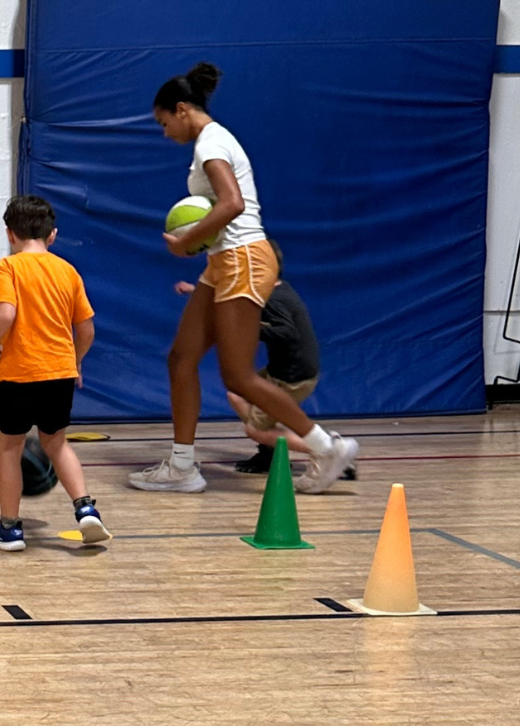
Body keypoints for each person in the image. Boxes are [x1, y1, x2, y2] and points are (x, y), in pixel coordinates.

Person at [129, 62, 357, 494]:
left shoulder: (210, 144)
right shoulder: (213, 141)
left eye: (163, 123)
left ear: (181, 110)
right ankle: (182, 467)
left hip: (243, 258)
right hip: (224, 259)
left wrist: (185, 242)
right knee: (181, 358)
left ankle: (327, 448)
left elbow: (231, 204)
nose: (164, 133)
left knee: (238, 376)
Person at [0, 196, 110, 550]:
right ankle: (86, 509)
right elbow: (86, 329)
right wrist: (75, 363)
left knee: (10, 447)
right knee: (56, 443)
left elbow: (6, 315)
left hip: (20, 373)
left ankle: (10, 529)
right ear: (53, 235)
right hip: (60, 372)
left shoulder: (7, 268)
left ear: (9, 233)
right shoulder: (67, 271)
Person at [172, 239, 353, 479]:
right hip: (282, 370)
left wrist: (248, 327)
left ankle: (330, 452)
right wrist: (197, 292)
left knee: (255, 430)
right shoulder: (270, 290)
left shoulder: (275, 298)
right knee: (236, 392)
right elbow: (230, 299)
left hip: (293, 378)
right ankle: (272, 451)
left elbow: (287, 333)